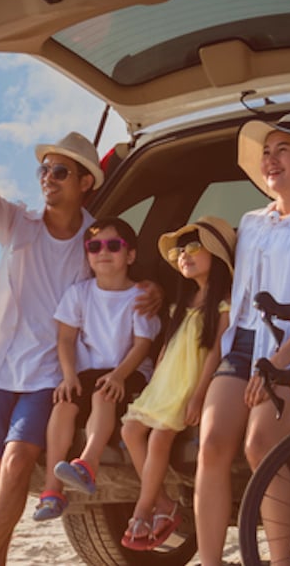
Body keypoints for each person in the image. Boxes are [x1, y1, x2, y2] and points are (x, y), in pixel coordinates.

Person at [0, 116, 160, 566]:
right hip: (1, 365)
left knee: (20, 459)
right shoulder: (18, 224)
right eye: (44, 170)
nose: (48, 178)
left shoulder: (96, 239)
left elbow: (122, 275)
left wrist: (152, 289)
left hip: (53, 370)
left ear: (85, 181)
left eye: (59, 171)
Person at [192, 113, 290, 566]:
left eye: (282, 150)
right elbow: (232, 293)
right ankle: (210, 562)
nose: (270, 159)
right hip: (242, 345)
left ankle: (279, 563)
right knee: (211, 444)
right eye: (266, 152)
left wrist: (276, 364)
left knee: (260, 443)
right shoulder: (251, 222)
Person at [31, 217, 160, 523]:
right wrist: (69, 375)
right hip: (90, 371)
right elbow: (65, 337)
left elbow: (142, 344)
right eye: (94, 246)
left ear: (130, 255)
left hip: (130, 371)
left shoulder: (139, 296)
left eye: (113, 245)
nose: (103, 252)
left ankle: (87, 464)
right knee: (64, 405)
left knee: (103, 395)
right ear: (87, 254)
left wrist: (119, 376)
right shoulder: (80, 293)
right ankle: (52, 491)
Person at [118, 217, 236, 551]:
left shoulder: (224, 303)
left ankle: (144, 507)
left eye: (194, 247)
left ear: (217, 255)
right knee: (130, 431)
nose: (184, 255)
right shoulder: (181, 304)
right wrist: (154, 382)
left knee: (159, 438)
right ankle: (164, 503)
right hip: (166, 382)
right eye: (180, 251)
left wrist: (199, 396)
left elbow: (215, 353)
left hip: (189, 382)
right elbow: (168, 349)